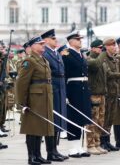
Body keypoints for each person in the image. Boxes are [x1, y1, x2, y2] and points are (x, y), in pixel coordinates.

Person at [16, 36, 54, 164]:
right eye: (40, 44)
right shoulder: (29, 61)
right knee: (32, 128)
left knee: (40, 127)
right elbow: (21, 83)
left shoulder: (43, 60)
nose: (43, 45)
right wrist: (22, 103)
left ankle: (38, 155)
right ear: (32, 46)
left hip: (44, 97)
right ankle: (31, 157)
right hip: (34, 99)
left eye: (43, 43)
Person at [100, 38, 120, 152]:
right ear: (107, 46)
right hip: (107, 91)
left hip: (114, 90)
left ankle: (107, 141)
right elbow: (108, 74)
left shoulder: (113, 58)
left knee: (110, 117)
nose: (114, 47)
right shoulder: (103, 57)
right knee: (105, 117)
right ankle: (102, 141)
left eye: (115, 45)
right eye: (112, 45)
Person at [62, 31, 91, 158]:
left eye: (81, 39)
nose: (80, 41)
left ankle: (79, 146)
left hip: (83, 89)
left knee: (81, 118)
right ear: (70, 41)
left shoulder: (81, 55)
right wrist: (65, 94)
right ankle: (72, 148)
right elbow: (64, 75)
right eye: (77, 39)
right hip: (73, 89)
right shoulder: (66, 55)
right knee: (73, 118)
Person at [41, 29, 68, 161]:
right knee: (52, 121)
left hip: (60, 87)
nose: (55, 40)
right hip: (53, 88)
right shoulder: (45, 53)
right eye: (53, 38)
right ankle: (50, 152)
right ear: (45, 41)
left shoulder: (56, 53)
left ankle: (55, 150)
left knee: (58, 120)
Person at [85, 39, 109, 155]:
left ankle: (97, 143)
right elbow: (94, 65)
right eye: (100, 48)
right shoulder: (89, 59)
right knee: (92, 121)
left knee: (100, 121)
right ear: (93, 48)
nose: (101, 50)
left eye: (102, 48)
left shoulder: (101, 60)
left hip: (101, 94)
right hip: (93, 94)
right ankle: (90, 144)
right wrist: (103, 54)